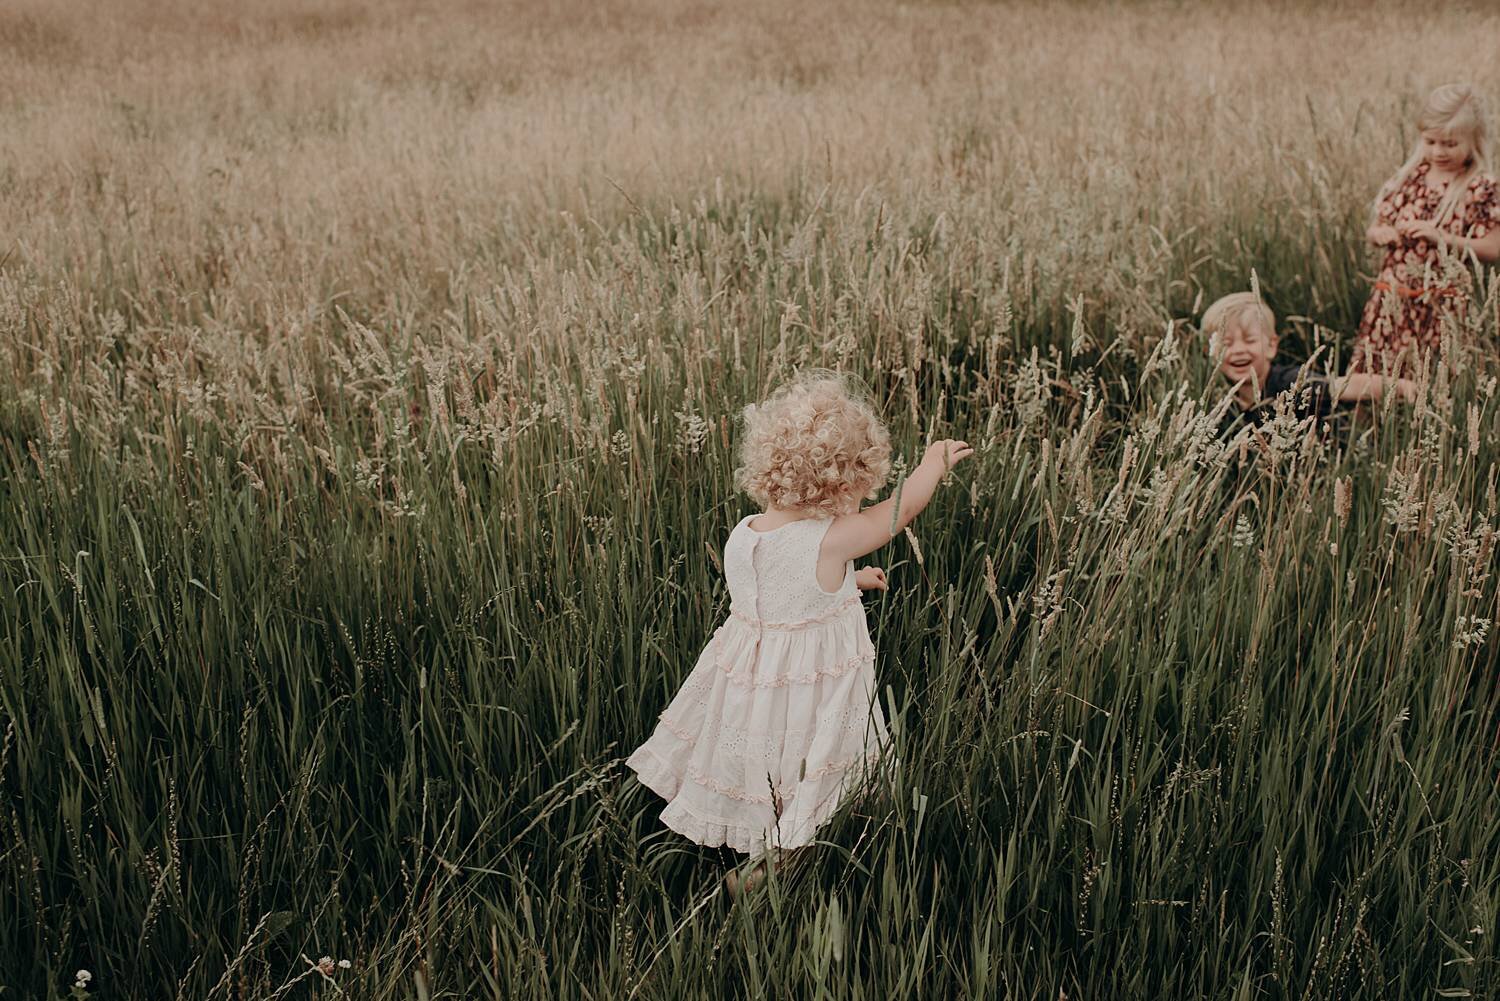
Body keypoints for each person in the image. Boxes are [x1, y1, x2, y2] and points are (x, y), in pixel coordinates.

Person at [625, 372, 973, 895]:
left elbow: (776, 594)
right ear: (841, 485)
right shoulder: (830, 540)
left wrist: (848, 582)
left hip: (752, 688)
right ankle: (774, 869)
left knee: (768, 766)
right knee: (812, 771)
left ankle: (751, 839)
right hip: (811, 694)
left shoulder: (744, 535)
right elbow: (896, 514)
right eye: (860, 487)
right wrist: (931, 467)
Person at [1352, 84, 1500, 377]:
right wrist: (1380, 234)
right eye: (1430, 141)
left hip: (1441, 307)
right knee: (1376, 378)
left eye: (1450, 143)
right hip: (1391, 299)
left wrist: (1441, 238)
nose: (1438, 151)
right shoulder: (1412, 177)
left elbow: (1492, 249)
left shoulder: (1479, 187)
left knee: (1431, 385)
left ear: (1474, 141)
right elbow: (1377, 225)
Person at [1202, 292, 1415, 427]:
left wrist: (1399, 386)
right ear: (1210, 351)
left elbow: (1345, 385)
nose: (1238, 350)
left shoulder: (1291, 383)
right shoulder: (1220, 403)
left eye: (1249, 340)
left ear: (1271, 346)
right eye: (1227, 343)